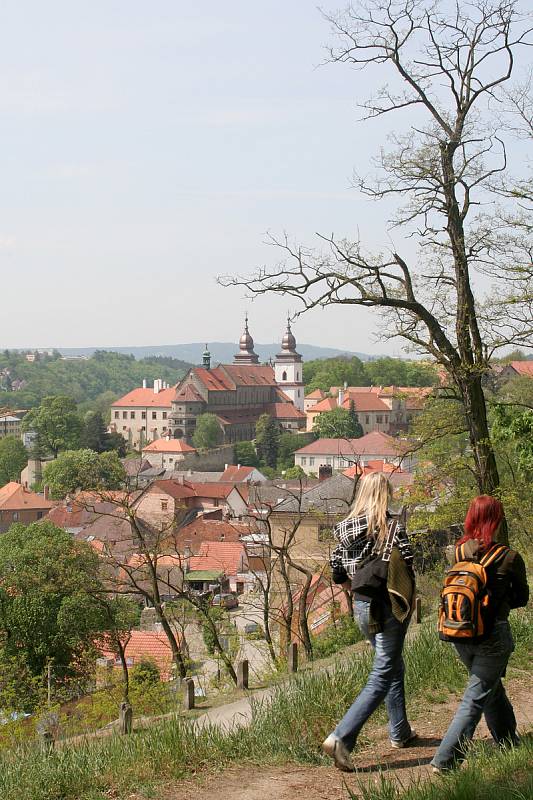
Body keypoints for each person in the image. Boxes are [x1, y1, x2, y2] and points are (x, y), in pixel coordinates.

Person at [322, 472, 416, 772]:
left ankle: (399, 731)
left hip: (363, 607)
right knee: (382, 673)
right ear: (384, 494)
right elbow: (410, 562)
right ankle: (341, 737)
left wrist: (355, 588)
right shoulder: (392, 528)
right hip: (388, 607)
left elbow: (336, 569)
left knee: (391, 665)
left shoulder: (345, 529)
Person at [431, 495, 529, 773]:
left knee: (490, 688)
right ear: (496, 520)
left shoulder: (458, 552)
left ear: (471, 519)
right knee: (475, 697)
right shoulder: (509, 557)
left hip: (460, 633)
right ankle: (445, 761)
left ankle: (508, 740)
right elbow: (522, 598)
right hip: (493, 637)